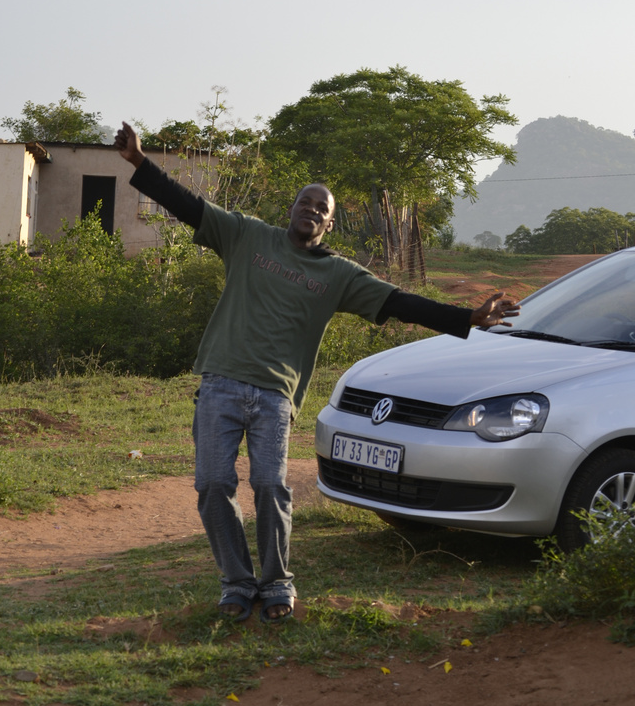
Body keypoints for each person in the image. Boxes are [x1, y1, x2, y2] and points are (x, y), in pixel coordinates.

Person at [115, 122, 520, 622]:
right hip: (220, 382)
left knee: (270, 486)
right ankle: (237, 584)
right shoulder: (245, 235)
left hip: (274, 396)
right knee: (213, 484)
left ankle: (277, 583)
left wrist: (465, 317)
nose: (311, 210)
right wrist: (137, 160)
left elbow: (398, 302)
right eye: (305, 202)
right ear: (291, 210)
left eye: (321, 209)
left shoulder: (339, 275)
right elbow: (185, 204)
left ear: (329, 225)